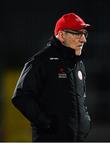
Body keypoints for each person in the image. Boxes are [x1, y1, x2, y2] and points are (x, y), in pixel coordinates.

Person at [11, 12, 92, 142]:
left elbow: (80, 100)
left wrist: (86, 121)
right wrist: (45, 122)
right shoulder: (42, 61)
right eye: (77, 33)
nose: (83, 39)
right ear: (61, 35)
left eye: (84, 34)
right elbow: (21, 96)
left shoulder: (78, 64)